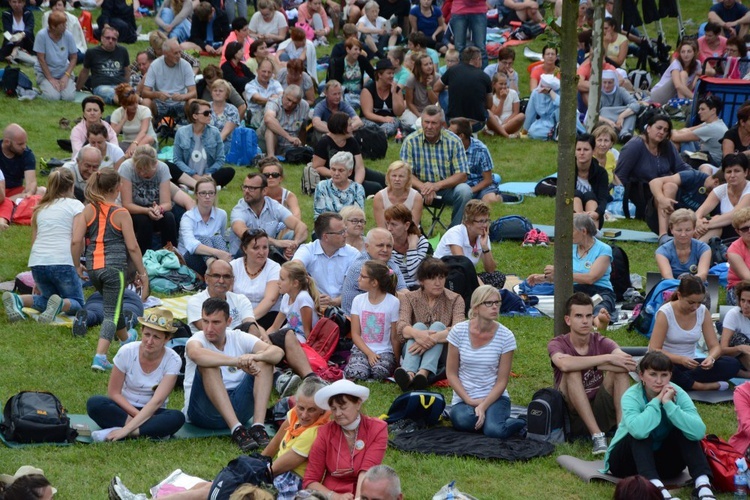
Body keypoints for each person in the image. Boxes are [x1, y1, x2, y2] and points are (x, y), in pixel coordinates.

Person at [603, 352, 717, 500]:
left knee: (685, 429)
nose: (659, 380)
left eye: (664, 375)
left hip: (664, 464)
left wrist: (669, 404)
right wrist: (657, 401)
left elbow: (698, 432)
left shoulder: (679, 393)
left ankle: (703, 487)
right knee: (641, 431)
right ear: (642, 376)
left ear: (670, 376)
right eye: (653, 374)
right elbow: (638, 432)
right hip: (625, 463)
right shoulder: (631, 396)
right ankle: (659, 492)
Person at [72, 167, 149, 371]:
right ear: (117, 187)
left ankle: (125, 338)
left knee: (112, 305)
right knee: (111, 314)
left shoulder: (88, 209)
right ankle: (100, 356)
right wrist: (142, 273)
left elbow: (76, 240)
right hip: (114, 269)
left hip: (94, 269)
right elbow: (132, 246)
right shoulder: (121, 213)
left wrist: (77, 265)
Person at [183, 297, 282, 451]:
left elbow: (277, 352)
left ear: (228, 321)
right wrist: (237, 361)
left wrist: (255, 357)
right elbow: (195, 354)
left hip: (239, 407)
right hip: (204, 412)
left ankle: (258, 426)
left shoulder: (237, 336)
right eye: (205, 321)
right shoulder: (197, 339)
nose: (209, 328)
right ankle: (237, 430)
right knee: (208, 365)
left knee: (266, 361)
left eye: (215, 322)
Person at [547, 292, 635, 453]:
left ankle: (623, 432)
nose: (585, 321)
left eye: (588, 315)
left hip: (600, 408)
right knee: (572, 372)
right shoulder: (557, 343)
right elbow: (565, 364)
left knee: (620, 372)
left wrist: (597, 365)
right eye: (579, 316)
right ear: (568, 320)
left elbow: (628, 364)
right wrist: (606, 360)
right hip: (572, 415)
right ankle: (597, 436)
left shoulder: (600, 341)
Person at [86, 308, 185, 441]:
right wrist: (137, 417)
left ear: (166, 339)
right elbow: (114, 393)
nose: (149, 341)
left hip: (153, 411)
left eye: (156, 337)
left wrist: (127, 430)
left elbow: (157, 401)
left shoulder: (173, 359)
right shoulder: (127, 351)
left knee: (177, 417)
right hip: (125, 409)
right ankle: (151, 430)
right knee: (95, 403)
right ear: (142, 331)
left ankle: (126, 432)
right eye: (147, 334)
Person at [2, 169, 84, 324]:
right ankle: (60, 304)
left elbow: (34, 241)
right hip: (62, 261)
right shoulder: (76, 205)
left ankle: (18, 300)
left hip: (38, 262)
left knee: (46, 299)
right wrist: (76, 265)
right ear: (72, 186)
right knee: (77, 303)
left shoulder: (41, 208)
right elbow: (76, 240)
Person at [446, 285, 526, 439]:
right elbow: (451, 373)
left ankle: (521, 422)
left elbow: (502, 381)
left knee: (494, 431)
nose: (495, 306)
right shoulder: (458, 331)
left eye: (497, 302)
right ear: (476, 307)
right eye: (489, 303)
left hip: (495, 397)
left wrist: (483, 405)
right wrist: (469, 400)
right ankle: (489, 419)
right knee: (464, 420)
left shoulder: (506, 336)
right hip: (464, 398)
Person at [649, 275, 741, 391]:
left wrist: (711, 359)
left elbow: (714, 346)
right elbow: (654, 349)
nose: (695, 307)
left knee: (732, 364)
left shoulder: (702, 311)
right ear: (679, 296)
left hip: (692, 363)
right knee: (662, 368)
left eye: (699, 302)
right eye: (691, 302)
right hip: (668, 362)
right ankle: (699, 385)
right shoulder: (665, 313)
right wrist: (680, 359)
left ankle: (681, 382)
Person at [303, 379, 388, 497]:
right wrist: (335, 497)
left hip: (366, 492)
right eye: (333, 409)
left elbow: (367, 471)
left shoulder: (377, 428)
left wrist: (359, 498)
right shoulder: (324, 432)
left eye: (343, 407)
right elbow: (310, 480)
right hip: (331, 494)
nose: (337, 413)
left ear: (358, 404)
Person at [528, 214, 616, 321]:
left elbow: (590, 278)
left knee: (601, 307)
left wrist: (559, 273)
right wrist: (543, 278)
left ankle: (598, 321)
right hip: (575, 290)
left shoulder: (604, 249)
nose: (568, 234)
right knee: (569, 306)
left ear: (583, 231)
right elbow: (563, 274)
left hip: (600, 290)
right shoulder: (570, 247)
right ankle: (589, 319)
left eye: (572, 230)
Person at [395, 257, 465, 390]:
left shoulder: (455, 299)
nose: (438, 283)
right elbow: (401, 325)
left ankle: (422, 373)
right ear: (421, 281)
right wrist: (418, 334)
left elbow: (459, 329)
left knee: (438, 326)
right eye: (432, 278)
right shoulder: (409, 298)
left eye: (441, 277)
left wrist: (432, 338)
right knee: (418, 326)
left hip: (444, 353)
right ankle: (409, 374)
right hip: (413, 350)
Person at [400, 105, 471, 228]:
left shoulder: (454, 141)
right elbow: (406, 174)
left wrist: (436, 186)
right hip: (419, 188)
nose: (429, 126)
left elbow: (462, 174)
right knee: (403, 189)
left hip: (446, 188)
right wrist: (424, 187)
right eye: (426, 122)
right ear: (421, 122)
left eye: (434, 123)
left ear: (442, 124)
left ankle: (455, 232)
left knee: (465, 191)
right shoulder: (410, 141)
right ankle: (414, 231)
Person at [262, 377, 330, 499]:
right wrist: (255, 462)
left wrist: (249, 474)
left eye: (311, 410)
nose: (304, 415)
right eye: (301, 408)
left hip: (294, 480)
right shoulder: (293, 414)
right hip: (279, 473)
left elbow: (274, 470)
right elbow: (274, 443)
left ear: (322, 409)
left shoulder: (314, 433)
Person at [614, 114, 690, 219]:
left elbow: (681, 167)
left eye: (665, 130)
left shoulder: (667, 145)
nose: (662, 132)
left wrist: (697, 176)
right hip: (642, 193)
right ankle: (666, 223)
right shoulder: (635, 145)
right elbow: (620, 175)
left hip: (666, 189)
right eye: (659, 128)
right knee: (670, 187)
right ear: (648, 128)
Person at [229, 172, 308, 259]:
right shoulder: (239, 210)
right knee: (254, 245)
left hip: (266, 255)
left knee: (294, 235)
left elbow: (301, 226)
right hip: (243, 257)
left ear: (264, 191)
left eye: (251, 188)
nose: (246, 191)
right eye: (245, 187)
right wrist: (276, 242)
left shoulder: (273, 206)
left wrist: (294, 244)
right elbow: (245, 234)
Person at [293, 212, 362, 310]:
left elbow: (354, 289)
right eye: (341, 232)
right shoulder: (308, 250)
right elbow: (293, 269)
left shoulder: (353, 254)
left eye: (345, 230)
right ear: (326, 237)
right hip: (314, 307)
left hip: (344, 309)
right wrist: (311, 293)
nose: (346, 235)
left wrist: (335, 301)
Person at [345, 260, 400, 381]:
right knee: (358, 373)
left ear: (374, 282)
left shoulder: (393, 302)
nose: (358, 279)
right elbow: (355, 334)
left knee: (379, 372)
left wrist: (398, 363)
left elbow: (394, 337)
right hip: (362, 349)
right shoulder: (358, 300)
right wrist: (369, 353)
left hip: (384, 351)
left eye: (363, 276)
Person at [119, 145, 177, 253]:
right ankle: (144, 259)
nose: (141, 174)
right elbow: (126, 204)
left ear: (155, 164)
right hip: (135, 210)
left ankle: (171, 254)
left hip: (156, 209)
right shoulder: (126, 168)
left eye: (146, 172)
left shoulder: (162, 168)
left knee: (169, 218)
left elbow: (167, 203)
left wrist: (159, 209)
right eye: (139, 170)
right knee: (144, 221)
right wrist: (147, 210)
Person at [312, 111, 384, 197]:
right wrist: (336, 173)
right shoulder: (324, 142)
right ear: (341, 128)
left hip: (353, 173)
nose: (353, 127)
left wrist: (357, 185)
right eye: (349, 125)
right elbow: (317, 167)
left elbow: (360, 167)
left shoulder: (351, 141)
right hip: (339, 178)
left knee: (385, 180)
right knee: (376, 187)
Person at [340, 227, 408, 315]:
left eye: (389, 246)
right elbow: (381, 298)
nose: (385, 250)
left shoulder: (390, 262)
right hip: (356, 321)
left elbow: (403, 291)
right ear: (367, 247)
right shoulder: (363, 268)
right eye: (380, 245)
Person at [648, 164, 722, 241]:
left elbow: (716, 218)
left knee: (716, 221)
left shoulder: (720, 196)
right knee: (669, 186)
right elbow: (654, 182)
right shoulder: (694, 176)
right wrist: (662, 199)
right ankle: (663, 236)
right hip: (660, 218)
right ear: (716, 182)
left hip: (687, 227)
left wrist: (703, 222)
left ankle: (695, 245)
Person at [173, 99, 234, 188]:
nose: (209, 115)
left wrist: (207, 173)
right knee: (168, 166)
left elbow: (220, 159)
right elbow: (177, 159)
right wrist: (193, 174)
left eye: (210, 112)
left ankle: (193, 185)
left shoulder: (215, 132)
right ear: (195, 116)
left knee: (229, 171)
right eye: (206, 113)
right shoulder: (181, 132)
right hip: (188, 175)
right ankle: (202, 185)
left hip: (208, 175)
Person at [179, 176, 231, 275]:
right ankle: (215, 269)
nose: (207, 197)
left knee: (218, 238)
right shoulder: (188, 217)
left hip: (215, 257)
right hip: (190, 259)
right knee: (204, 239)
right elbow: (191, 245)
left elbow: (223, 236)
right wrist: (217, 252)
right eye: (203, 193)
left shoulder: (221, 214)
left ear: (215, 195)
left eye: (211, 193)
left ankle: (222, 269)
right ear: (196, 195)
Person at [231, 228, 282, 330]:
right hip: (237, 316)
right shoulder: (233, 266)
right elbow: (225, 295)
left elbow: (270, 299)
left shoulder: (274, 268)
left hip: (267, 316)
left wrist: (247, 319)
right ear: (245, 249)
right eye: (256, 248)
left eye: (265, 247)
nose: (261, 252)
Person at [694, 153, 750, 242]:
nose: (732, 175)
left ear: (746, 172)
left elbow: (734, 216)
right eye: (728, 172)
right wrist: (698, 222)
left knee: (716, 221)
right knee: (714, 224)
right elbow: (700, 212)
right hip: (728, 231)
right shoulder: (721, 189)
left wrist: (707, 224)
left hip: (745, 230)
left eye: (737, 171)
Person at [434, 47, 492, 131]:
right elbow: (489, 105)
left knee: (443, 93)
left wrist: (452, 86)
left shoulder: (452, 70)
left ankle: (448, 123)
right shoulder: (485, 77)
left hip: (453, 122)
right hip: (477, 124)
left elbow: (436, 87)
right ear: (477, 59)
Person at [434, 200, 497, 273]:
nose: (485, 225)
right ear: (468, 223)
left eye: (486, 221)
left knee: (497, 276)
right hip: (443, 275)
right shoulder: (455, 233)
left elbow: (491, 270)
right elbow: (462, 265)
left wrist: (485, 247)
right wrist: (479, 284)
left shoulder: (482, 235)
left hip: (463, 274)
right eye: (481, 221)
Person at [142, 38, 197, 122]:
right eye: (175, 53)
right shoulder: (155, 65)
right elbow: (145, 92)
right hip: (160, 103)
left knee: (192, 102)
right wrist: (157, 94)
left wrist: (182, 97)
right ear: (165, 54)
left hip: (180, 103)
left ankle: (191, 129)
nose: (179, 55)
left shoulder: (186, 65)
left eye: (179, 52)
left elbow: (193, 93)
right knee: (146, 102)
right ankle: (151, 129)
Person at [0, 124, 44, 227]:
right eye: (20, 144)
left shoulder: (27, 155)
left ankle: (7, 206)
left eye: (25, 143)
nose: (24, 147)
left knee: (42, 191)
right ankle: (11, 209)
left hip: (16, 192)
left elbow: (31, 183)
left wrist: (28, 193)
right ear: (7, 142)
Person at [448, 118, 500, 203]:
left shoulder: (480, 149)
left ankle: (497, 197)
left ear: (461, 136)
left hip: (479, 186)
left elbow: (487, 180)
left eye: (450, 133)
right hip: (457, 186)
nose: (447, 135)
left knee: (490, 200)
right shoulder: (446, 148)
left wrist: (470, 191)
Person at [268, 260, 320, 343]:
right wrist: (262, 340)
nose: (278, 282)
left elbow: (308, 333)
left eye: (282, 279)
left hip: (300, 340)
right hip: (287, 334)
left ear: (295, 283)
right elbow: (274, 327)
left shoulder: (303, 298)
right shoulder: (286, 297)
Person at [76, 25, 130, 104]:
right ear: (101, 38)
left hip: (120, 85)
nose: (110, 41)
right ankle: (127, 102)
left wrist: (126, 85)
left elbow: (127, 71)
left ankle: (130, 101)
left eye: (114, 39)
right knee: (110, 93)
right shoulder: (92, 52)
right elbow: (85, 72)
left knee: (129, 92)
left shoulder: (123, 51)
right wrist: (77, 89)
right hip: (101, 86)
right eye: (107, 38)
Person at [671, 95, 727, 167]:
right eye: (699, 109)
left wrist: (672, 131)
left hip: (711, 162)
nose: (699, 112)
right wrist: (677, 132)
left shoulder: (711, 128)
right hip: (706, 156)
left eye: (702, 109)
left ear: (713, 111)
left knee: (683, 140)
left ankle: (673, 162)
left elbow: (675, 137)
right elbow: (687, 130)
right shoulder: (714, 123)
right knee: (685, 137)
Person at [656, 209, 712, 282]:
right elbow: (668, 278)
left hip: (697, 288)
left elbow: (702, 275)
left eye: (688, 230)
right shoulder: (662, 251)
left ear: (694, 229)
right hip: (671, 288)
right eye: (679, 230)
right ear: (671, 229)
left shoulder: (704, 249)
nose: (683, 234)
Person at [33, 11, 77, 101]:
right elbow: (41, 59)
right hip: (46, 73)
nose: (65, 27)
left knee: (69, 97)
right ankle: (44, 84)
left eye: (65, 24)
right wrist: (50, 79)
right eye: (63, 25)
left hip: (63, 71)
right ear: (53, 26)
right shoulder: (41, 35)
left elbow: (74, 57)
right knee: (53, 97)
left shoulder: (68, 35)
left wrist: (66, 76)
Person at [385, 203, 429, 289]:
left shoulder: (421, 242)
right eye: (387, 223)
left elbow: (415, 275)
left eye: (394, 224)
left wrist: (412, 247)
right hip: (394, 286)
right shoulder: (385, 243)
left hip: (418, 288)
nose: (389, 228)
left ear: (406, 225)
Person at [360, 58, 407, 137]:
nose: (392, 76)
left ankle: (377, 135)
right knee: (365, 123)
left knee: (394, 121)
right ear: (380, 75)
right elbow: (367, 114)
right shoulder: (368, 89)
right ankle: (380, 134)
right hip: (371, 120)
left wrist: (394, 93)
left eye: (393, 73)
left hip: (389, 122)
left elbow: (399, 112)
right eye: (389, 73)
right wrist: (383, 119)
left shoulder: (396, 89)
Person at [259, 85, 310, 158]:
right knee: (271, 128)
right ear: (283, 94)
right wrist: (288, 137)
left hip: (290, 145)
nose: (290, 104)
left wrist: (300, 146)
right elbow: (268, 119)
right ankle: (271, 157)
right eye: (288, 100)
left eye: (294, 103)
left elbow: (303, 129)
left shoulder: (304, 106)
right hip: (271, 141)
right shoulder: (273, 102)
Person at [314, 151, 365, 220]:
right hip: (326, 227)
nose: (336, 173)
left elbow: (358, 217)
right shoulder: (322, 186)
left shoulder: (358, 188)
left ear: (349, 172)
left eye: (341, 170)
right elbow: (319, 216)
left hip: (351, 228)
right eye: (333, 169)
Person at [110, 83, 158, 157]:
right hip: (127, 143)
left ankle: (129, 156)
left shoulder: (144, 110)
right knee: (112, 147)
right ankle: (131, 155)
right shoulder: (117, 113)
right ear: (123, 105)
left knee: (148, 138)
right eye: (131, 104)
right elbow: (113, 134)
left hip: (146, 141)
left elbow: (143, 131)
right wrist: (123, 120)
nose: (135, 106)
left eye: (136, 102)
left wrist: (135, 143)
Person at [373, 160, 424, 228]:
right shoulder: (379, 197)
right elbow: (381, 227)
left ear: (408, 179)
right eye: (394, 176)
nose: (397, 179)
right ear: (388, 177)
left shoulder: (416, 197)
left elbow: (413, 227)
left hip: (410, 234)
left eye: (401, 176)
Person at [573, 134, 609, 228]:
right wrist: (573, 214)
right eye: (578, 149)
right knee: (575, 194)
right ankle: (577, 231)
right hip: (572, 215)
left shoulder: (601, 173)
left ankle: (593, 233)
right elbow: (562, 198)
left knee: (590, 196)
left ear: (593, 151)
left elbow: (603, 199)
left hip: (593, 214)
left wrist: (596, 214)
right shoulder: (567, 170)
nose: (581, 153)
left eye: (586, 150)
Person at [649, 39, 701, 106]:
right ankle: (682, 105)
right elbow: (678, 86)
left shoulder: (697, 64)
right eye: (683, 52)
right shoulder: (676, 64)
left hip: (673, 97)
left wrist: (696, 76)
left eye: (689, 51)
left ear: (694, 53)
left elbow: (687, 88)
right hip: (658, 96)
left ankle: (683, 104)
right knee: (683, 74)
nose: (686, 54)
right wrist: (695, 98)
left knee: (684, 76)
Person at [595, 69, 640, 144]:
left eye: (610, 83)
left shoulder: (621, 91)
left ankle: (624, 134)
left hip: (621, 123)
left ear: (614, 82)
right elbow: (593, 115)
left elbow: (636, 105)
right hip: (606, 121)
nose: (606, 85)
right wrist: (609, 121)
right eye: (604, 82)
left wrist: (621, 116)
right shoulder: (598, 93)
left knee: (631, 111)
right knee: (604, 111)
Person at [721, 280, 750, 378]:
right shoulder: (734, 314)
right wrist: (740, 348)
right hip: (738, 357)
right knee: (738, 338)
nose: (745, 306)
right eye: (743, 300)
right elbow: (723, 349)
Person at [402, 52, 439, 127]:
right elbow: (409, 103)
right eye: (426, 65)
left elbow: (435, 101)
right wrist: (420, 116)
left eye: (430, 63)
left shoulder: (437, 77)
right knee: (413, 123)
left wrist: (429, 86)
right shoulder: (411, 79)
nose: (429, 67)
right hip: (416, 111)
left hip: (432, 110)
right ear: (419, 67)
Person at [258, 158, 301, 222]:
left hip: (286, 228)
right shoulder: (257, 195)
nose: (270, 177)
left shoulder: (289, 196)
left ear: (281, 178)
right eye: (266, 175)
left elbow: (297, 217)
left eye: (275, 175)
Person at [245, 58, 283, 130]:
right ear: (257, 71)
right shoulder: (250, 85)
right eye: (264, 71)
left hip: (275, 114)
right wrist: (273, 99)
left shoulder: (275, 83)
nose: (266, 74)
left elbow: (282, 96)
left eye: (269, 72)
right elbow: (258, 100)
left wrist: (276, 98)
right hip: (257, 116)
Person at [450, 0, 488, 68]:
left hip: (478, 10)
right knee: (459, 48)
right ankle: (461, 75)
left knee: (481, 47)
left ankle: (483, 76)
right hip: (459, 10)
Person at [486, 72, 524, 138]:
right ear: (494, 84)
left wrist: (505, 124)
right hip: (496, 121)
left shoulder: (513, 93)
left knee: (521, 116)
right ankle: (506, 134)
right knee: (489, 114)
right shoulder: (491, 97)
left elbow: (515, 112)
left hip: (510, 121)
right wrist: (502, 100)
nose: (503, 86)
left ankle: (497, 132)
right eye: (501, 84)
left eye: (505, 84)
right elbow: (496, 114)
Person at [727, 208, 750, 305]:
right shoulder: (733, 250)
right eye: (745, 229)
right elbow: (747, 278)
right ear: (738, 231)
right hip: (740, 289)